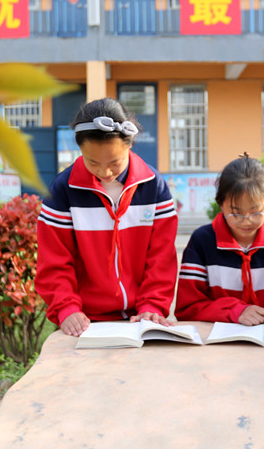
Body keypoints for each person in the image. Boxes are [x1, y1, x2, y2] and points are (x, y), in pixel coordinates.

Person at [35, 98, 178, 336]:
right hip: (84, 321)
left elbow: (161, 257)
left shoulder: (153, 186)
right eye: (93, 162)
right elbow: (54, 262)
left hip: (141, 317)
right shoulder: (62, 190)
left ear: (130, 144)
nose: (105, 172)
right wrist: (66, 308)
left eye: (115, 162)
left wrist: (152, 304)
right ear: (79, 149)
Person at [175, 154, 264, 325]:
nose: (247, 220)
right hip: (217, 343)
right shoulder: (202, 241)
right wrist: (235, 311)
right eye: (236, 213)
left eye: (256, 212)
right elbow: (187, 308)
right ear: (220, 202)